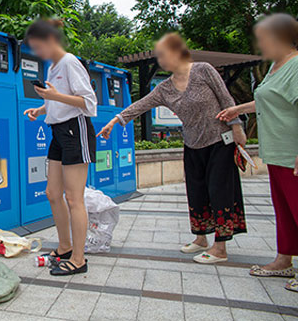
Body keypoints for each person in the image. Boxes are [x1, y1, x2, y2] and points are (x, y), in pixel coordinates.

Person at [97, 32, 248, 264]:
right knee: (197, 191)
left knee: (220, 191)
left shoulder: (203, 69)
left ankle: (221, 247)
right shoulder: (165, 88)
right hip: (192, 144)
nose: (161, 60)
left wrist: (237, 128)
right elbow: (139, 105)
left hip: (220, 140)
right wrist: (114, 121)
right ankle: (200, 238)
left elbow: (226, 99)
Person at [216, 13, 298, 292]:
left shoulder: (296, 65)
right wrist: (239, 109)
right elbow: (270, 98)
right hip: (275, 151)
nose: (259, 45)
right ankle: (283, 259)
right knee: (284, 209)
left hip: (293, 152)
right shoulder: (276, 66)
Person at [23, 19, 97, 276]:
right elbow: (61, 99)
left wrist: (54, 97)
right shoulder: (53, 67)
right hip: (57, 130)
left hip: (75, 130)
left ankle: (79, 259)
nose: (37, 52)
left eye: (38, 46)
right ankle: (64, 247)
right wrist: (42, 108)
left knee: (74, 198)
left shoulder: (69, 62)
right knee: (53, 193)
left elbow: (88, 103)